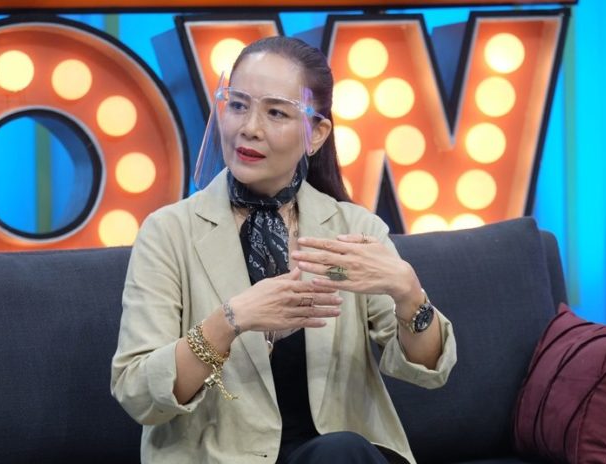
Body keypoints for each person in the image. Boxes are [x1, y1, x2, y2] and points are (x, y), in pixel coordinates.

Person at [111, 36, 456, 464]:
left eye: (275, 112)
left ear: (316, 133)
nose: (249, 127)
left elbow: (429, 372)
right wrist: (230, 321)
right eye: (238, 105)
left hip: (337, 456)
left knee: (341, 451)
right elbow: (139, 393)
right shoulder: (168, 233)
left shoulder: (352, 229)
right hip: (221, 457)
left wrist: (408, 293)